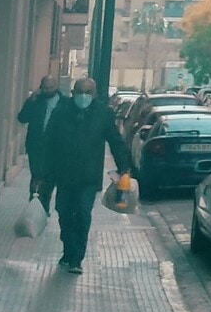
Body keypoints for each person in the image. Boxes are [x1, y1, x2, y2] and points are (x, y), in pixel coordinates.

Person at [39, 76, 130, 275]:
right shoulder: (62, 111)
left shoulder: (103, 114)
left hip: (88, 176)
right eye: (80, 91)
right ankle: (67, 249)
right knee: (63, 212)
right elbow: (48, 142)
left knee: (81, 213)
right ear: (73, 94)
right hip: (64, 175)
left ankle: (76, 258)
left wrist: (124, 167)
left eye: (88, 92)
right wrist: (43, 174)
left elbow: (115, 141)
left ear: (95, 95)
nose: (83, 96)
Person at [15, 76, 64, 213]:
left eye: (50, 88)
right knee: (36, 176)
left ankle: (44, 206)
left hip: (56, 148)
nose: (48, 91)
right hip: (36, 145)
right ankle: (34, 206)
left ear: (56, 86)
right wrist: (30, 101)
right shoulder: (36, 101)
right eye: (45, 88)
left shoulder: (65, 103)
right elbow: (22, 118)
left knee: (49, 178)